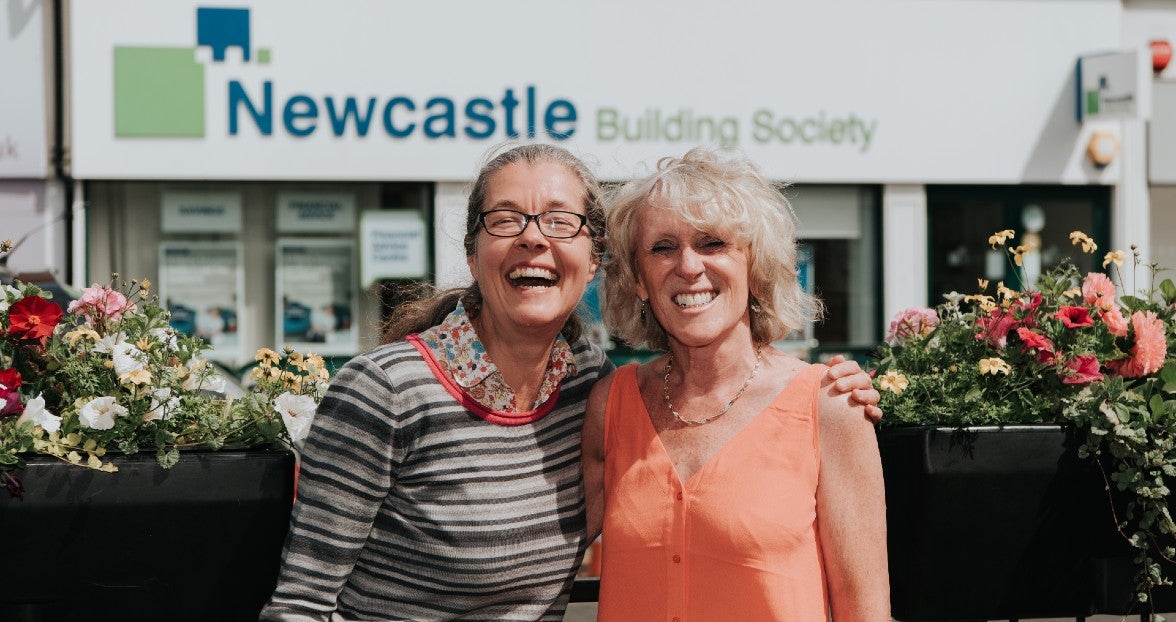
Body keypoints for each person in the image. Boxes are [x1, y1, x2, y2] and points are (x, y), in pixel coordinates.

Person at [260, 143, 880, 621]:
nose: (533, 237)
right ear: (473, 255)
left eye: (559, 221)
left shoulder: (589, 388)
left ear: (592, 261)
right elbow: (301, 603)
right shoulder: (390, 389)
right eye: (506, 220)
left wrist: (841, 395)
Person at [582, 147, 890, 621]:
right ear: (639, 280)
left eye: (712, 244)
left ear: (754, 265)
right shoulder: (612, 402)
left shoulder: (829, 405)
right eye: (662, 247)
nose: (688, 266)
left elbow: (865, 613)